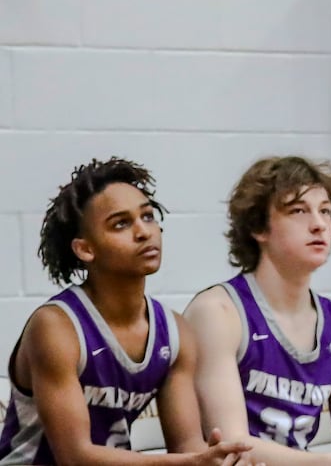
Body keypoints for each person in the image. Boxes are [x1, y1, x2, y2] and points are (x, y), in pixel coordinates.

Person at [0, 158, 254, 465]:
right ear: (85, 249)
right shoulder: (56, 326)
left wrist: (214, 460)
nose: (144, 231)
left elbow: (186, 444)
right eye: (121, 223)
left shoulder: (175, 333)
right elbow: (74, 457)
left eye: (148, 216)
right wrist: (190, 463)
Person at [184, 157, 331, 465]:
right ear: (259, 227)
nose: (319, 224)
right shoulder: (218, 313)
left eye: (325, 211)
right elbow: (231, 446)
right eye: (298, 211)